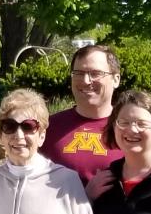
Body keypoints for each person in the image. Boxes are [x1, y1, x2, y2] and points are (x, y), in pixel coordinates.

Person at [42, 44, 121, 184]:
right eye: (78, 73)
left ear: (116, 79)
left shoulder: (132, 128)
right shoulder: (48, 128)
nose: (85, 81)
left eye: (95, 73)